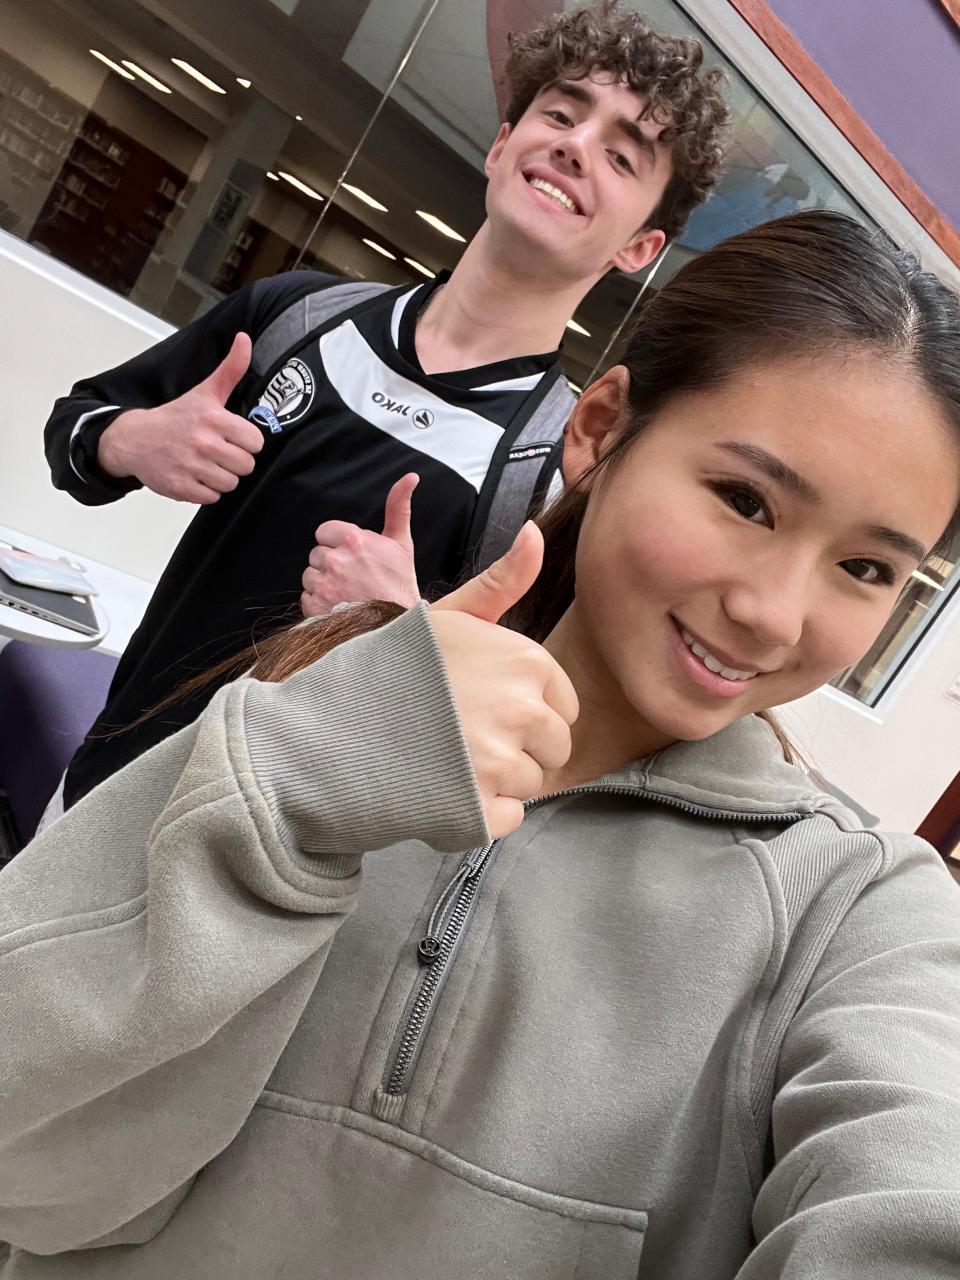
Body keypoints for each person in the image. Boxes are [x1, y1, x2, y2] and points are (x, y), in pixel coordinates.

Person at [3, 210, 960, 1277]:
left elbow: (914, 1192)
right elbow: (24, 1153)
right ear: (600, 430)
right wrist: (305, 774)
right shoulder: (303, 708)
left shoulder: (859, 914)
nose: (774, 614)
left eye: (868, 569)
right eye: (746, 500)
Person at [41, 1, 728, 812]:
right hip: (101, 785)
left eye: (620, 156)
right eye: (560, 114)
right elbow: (74, 429)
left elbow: (529, 737)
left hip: (282, 855)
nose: (576, 146)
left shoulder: (556, 478)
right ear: (502, 145)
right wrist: (129, 440)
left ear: (639, 248)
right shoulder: (295, 316)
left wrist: (406, 636)